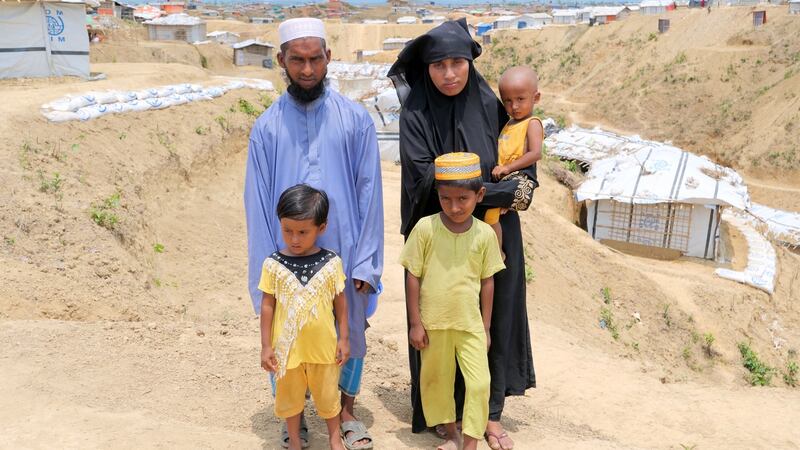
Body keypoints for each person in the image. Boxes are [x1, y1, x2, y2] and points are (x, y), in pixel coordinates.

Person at [388, 18, 537, 450]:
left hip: (493, 234)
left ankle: (488, 415)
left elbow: (525, 181)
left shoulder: (490, 104)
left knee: (494, 320)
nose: (449, 74)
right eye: (438, 65)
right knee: (439, 323)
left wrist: (483, 188)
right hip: (436, 236)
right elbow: (422, 179)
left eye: (457, 62)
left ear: (470, 63)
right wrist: (490, 190)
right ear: (426, 68)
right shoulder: (414, 114)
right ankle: (445, 414)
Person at [244, 17, 382, 450]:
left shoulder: (356, 120)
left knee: (348, 328)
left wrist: (365, 262)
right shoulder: (265, 129)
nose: (307, 70)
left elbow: (369, 194)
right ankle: (293, 420)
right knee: (289, 333)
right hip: (285, 257)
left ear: (328, 58)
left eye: (315, 59)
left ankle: (346, 413)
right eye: (298, 60)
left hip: (344, 251)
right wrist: (270, 267)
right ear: (281, 60)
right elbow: (258, 205)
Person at [400, 153, 505, 450]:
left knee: (479, 383)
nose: (454, 207)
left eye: (463, 199)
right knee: (436, 381)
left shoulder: (485, 234)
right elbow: (413, 276)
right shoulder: (424, 229)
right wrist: (415, 323)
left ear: (479, 195)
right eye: (446, 199)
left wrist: (485, 328)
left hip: (470, 324)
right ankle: (451, 434)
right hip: (433, 324)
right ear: (438, 195)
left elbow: (488, 282)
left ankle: (470, 441)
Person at [259, 185, 350, 450]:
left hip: (323, 348)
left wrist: (344, 338)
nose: (294, 239)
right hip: (287, 351)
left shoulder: (332, 263)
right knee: (290, 397)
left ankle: (335, 439)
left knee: (328, 395)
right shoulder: (273, 265)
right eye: (287, 230)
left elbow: (340, 302)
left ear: (321, 228)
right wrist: (266, 346)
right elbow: (267, 306)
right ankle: (295, 441)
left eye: (302, 232)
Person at [485, 66, 544, 260]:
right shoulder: (509, 124)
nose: (514, 106)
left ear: (535, 98)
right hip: (504, 175)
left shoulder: (532, 123)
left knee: (491, 216)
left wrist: (508, 168)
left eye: (520, 99)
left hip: (518, 176)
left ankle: (497, 252)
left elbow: (535, 154)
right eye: (508, 101)